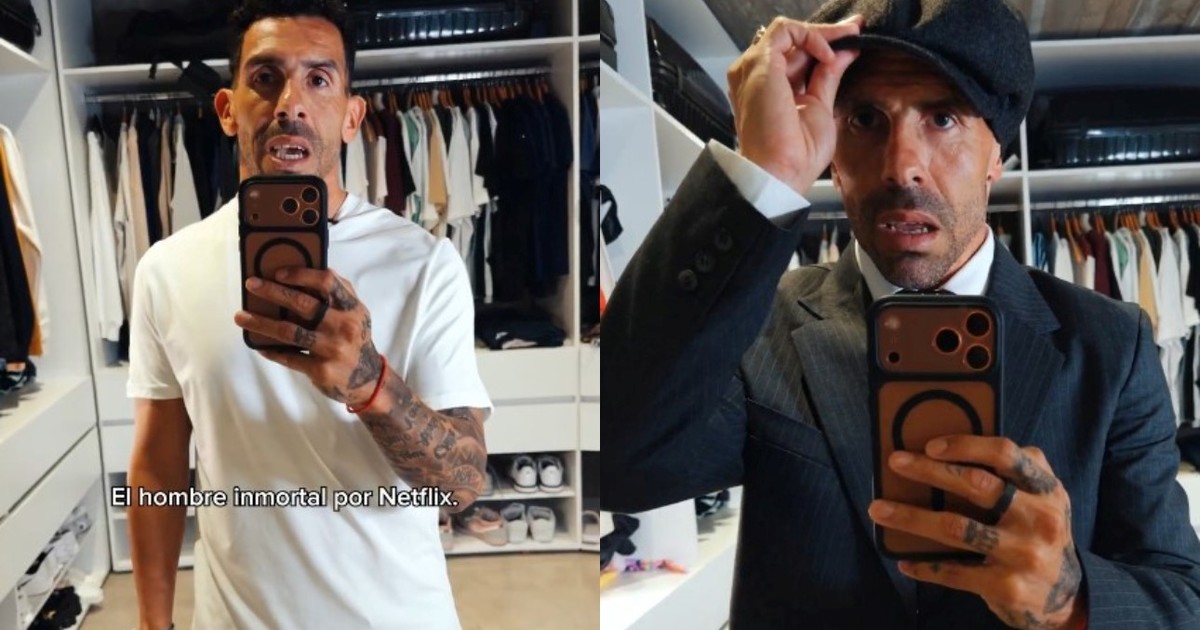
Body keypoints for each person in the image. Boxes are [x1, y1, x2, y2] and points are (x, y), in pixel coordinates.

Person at [600, 0, 1200, 627]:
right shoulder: (759, 323)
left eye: (943, 118)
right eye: (865, 119)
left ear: (997, 155)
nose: (900, 166)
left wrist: (1072, 601)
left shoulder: (1110, 345)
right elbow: (621, 466)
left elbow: (1181, 598)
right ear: (833, 151)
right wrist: (763, 174)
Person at [125, 1, 492, 628]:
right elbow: (157, 468)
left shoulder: (425, 264)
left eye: (319, 79)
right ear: (227, 109)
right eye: (265, 77)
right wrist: (153, 622)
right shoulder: (166, 268)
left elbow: (461, 485)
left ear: (351, 117)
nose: (290, 103)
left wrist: (371, 384)